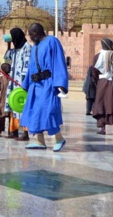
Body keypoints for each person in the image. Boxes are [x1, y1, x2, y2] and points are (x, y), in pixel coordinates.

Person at [21, 23, 69, 152]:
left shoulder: (52, 41)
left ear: (37, 32)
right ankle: (39, 141)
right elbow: (31, 66)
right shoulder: (35, 46)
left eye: (31, 34)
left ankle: (59, 139)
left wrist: (60, 83)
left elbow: (59, 61)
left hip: (48, 84)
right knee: (35, 112)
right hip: (35, 85)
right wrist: (25, 84)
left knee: (48, 112)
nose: (30, 38)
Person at [91, 38, 113, 136]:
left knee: (102, 104)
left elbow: (94, 72)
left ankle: (102, 129)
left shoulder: (97, 57)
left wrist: (98, 82)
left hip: (102, 83)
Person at [4, 27, 32, 141]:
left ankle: (25, 133)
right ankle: (13, 131)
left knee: (22, 108)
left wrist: (24, 84)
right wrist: (9, 45)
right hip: (13, 83)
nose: (13, 41)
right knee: (13, 106)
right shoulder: (15, 49)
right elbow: (6, 57)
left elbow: (27, 66)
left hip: (22, 84)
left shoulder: (27, 48)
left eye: (14, 39)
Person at [0, 63, 11, 137]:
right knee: (2, 115)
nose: (9, 68)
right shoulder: (0, 79)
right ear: (4, 69)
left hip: (10, 99)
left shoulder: (11, 78)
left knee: (11, 115)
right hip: (3, 99)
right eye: (8, 67)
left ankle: (11, 131)